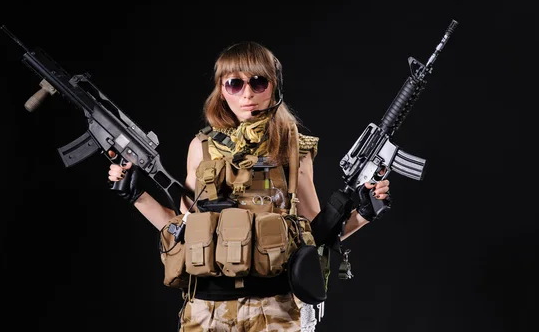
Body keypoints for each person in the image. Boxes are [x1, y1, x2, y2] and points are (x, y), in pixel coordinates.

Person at [107, 41, 391, 331]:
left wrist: (364, 213)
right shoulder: (201, 148)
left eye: (258, 82)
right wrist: (136, 194)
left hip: (274, 311)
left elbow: (316, 235)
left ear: (274, 87)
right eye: (234, 84)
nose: (247, 94)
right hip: (207, 313)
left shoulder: (293, 149)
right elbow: (181, 229)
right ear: (221, 89)